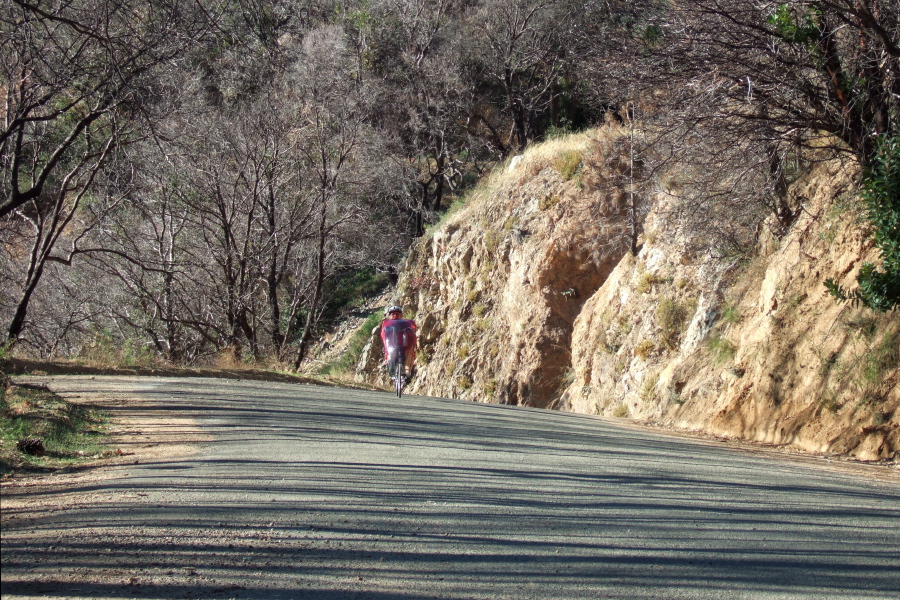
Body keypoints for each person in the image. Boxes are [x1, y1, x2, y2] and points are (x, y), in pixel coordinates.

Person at [380, 305, 417, 384]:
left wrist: (411, 331)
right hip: (392, 346)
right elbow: (383, 334)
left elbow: (412, 331)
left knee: (409, 355)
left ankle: (407, 374)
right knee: (390, 357)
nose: (395, 315)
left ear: (401, 315)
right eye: (393, 314)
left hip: (404, 345)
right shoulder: (387, 325)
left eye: (397, 314)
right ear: (389, 316)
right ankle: (393, 374)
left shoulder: (405, 324)